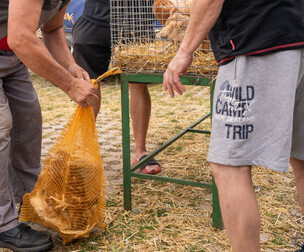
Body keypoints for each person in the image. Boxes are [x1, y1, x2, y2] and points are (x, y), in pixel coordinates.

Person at [0, 0, 100, 251]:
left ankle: (33, 205)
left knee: (28, 120)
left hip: (11, 49)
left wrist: (70, 66)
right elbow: (22, 38)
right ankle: (1, 225)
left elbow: (53, 29)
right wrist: (69, 85)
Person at [163, 0, 304, 251]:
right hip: (297, 29)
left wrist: (184, 51)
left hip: (256, 37)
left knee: (228, 165)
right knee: (302, 158)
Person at [72, 0, 162, 174]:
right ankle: (84, 150)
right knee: (88, 83)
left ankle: (140, 151)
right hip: (94, 17)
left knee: (138, 83)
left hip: (137, 19)